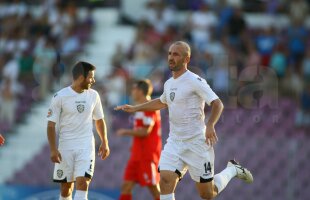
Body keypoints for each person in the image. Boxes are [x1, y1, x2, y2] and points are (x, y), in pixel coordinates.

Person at [115, 41, 253, 200]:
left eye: (176, 54)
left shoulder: (195, 80)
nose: (171, 58)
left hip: (196, 143)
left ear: (187, 59)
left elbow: (217, 103)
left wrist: (210, 125)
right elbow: (161, 102)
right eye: (169, 54)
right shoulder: (168, 83)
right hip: (175, 142)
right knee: (165, 180)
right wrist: (135, 108)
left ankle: (232, 169)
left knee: (207, 194)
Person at [47, 61, 110, 200]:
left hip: (85, 146)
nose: (93, 80)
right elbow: (51, 125)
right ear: (81, 77)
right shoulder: (60, 96)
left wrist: (104, 141)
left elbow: (99, 120)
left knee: (82, 183)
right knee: (65, 189)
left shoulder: (94, 95)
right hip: (65, 147)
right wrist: (53, 149)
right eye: (91, 77)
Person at [117, 80, 162, 200]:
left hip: (147, 156)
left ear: (140, 91)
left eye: (134, 89)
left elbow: (145, 132)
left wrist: (125, 132)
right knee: (126, 186)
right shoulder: (138, 108)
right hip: (136, 155)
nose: (132, 92)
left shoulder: (149, 107)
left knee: (153, 187)